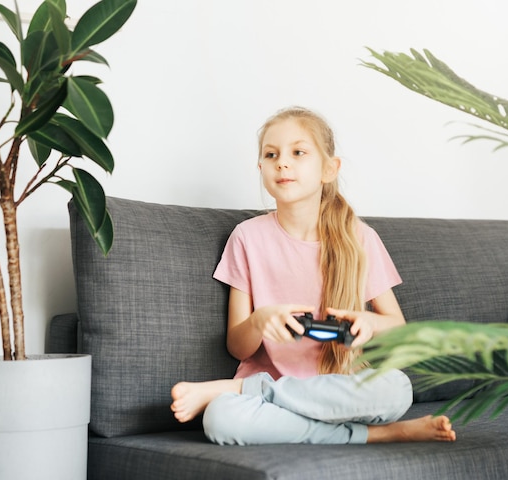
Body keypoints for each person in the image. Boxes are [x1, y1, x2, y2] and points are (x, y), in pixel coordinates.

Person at [170, 106, 457, 445]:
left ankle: (243, 390)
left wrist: (371, 323)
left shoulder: (359, 238)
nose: (283, 162)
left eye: (298, 152)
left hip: (333, 390)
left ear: (329, 169)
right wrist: (261, 320)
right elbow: (237, 347)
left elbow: (398, 327)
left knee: (397, 388)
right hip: (268, 392)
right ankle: (379, 434)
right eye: (271, 154)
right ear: (260, 167)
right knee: (221, 419)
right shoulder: (246, 237)